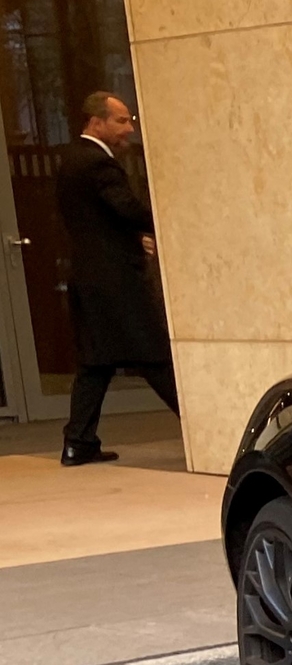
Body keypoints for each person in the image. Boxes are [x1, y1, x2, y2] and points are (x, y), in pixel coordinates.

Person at [56, 91, 176, 467]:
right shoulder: (97, 163)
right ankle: (214, 431)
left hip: (89, 278)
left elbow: (97, 220)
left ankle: (78, 442)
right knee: (154, 353)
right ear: (96, 122)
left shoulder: (70, 159)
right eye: (121, 121)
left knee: (96, 362)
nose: (129, 129)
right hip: (115, 281)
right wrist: (166, 221)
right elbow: (124, 207)